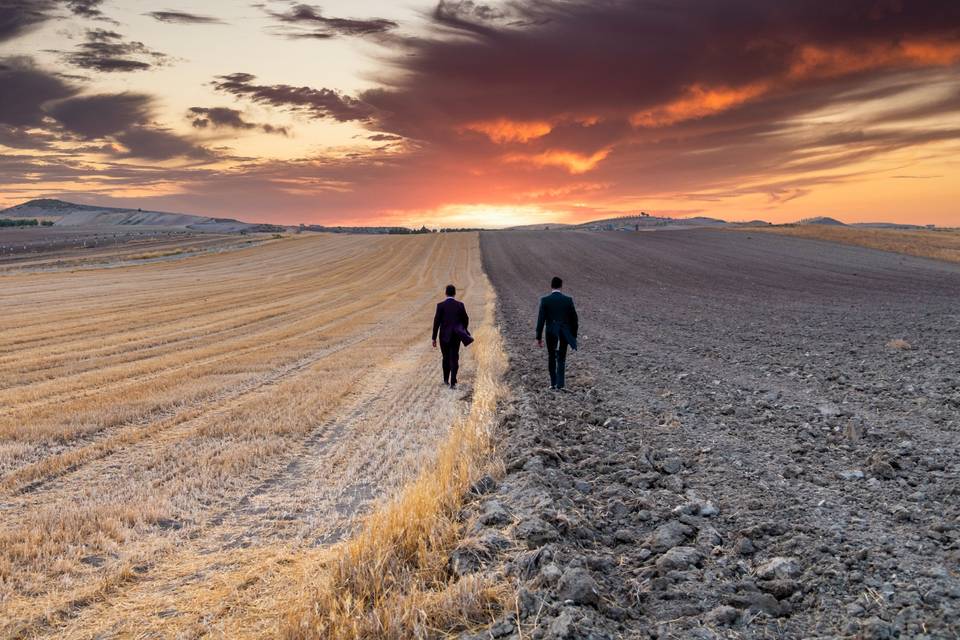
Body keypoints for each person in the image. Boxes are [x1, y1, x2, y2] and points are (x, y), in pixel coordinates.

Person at [536, 276, 578, 390]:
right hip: (564, 333)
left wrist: (538, 337)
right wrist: (573, 335)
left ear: (551, 286)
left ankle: (553, 383)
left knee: (551, 357)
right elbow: (575, 319)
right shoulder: (568, 300)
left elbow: (541, 320)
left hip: (550, 332)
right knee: (561, 357)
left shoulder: (545, 300)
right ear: (561, 286)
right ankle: (560, 384)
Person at [432, 284, 472, 389]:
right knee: (454, 358)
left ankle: (446, 380)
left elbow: (436, 323)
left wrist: (434, 338)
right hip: (456, 336)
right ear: (455, 293)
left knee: (445, 358)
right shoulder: (460, 305)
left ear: (446, 293)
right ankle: (453, 382)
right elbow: (466, 319)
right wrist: (463, 329)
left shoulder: (440, 306)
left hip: (444, 336)